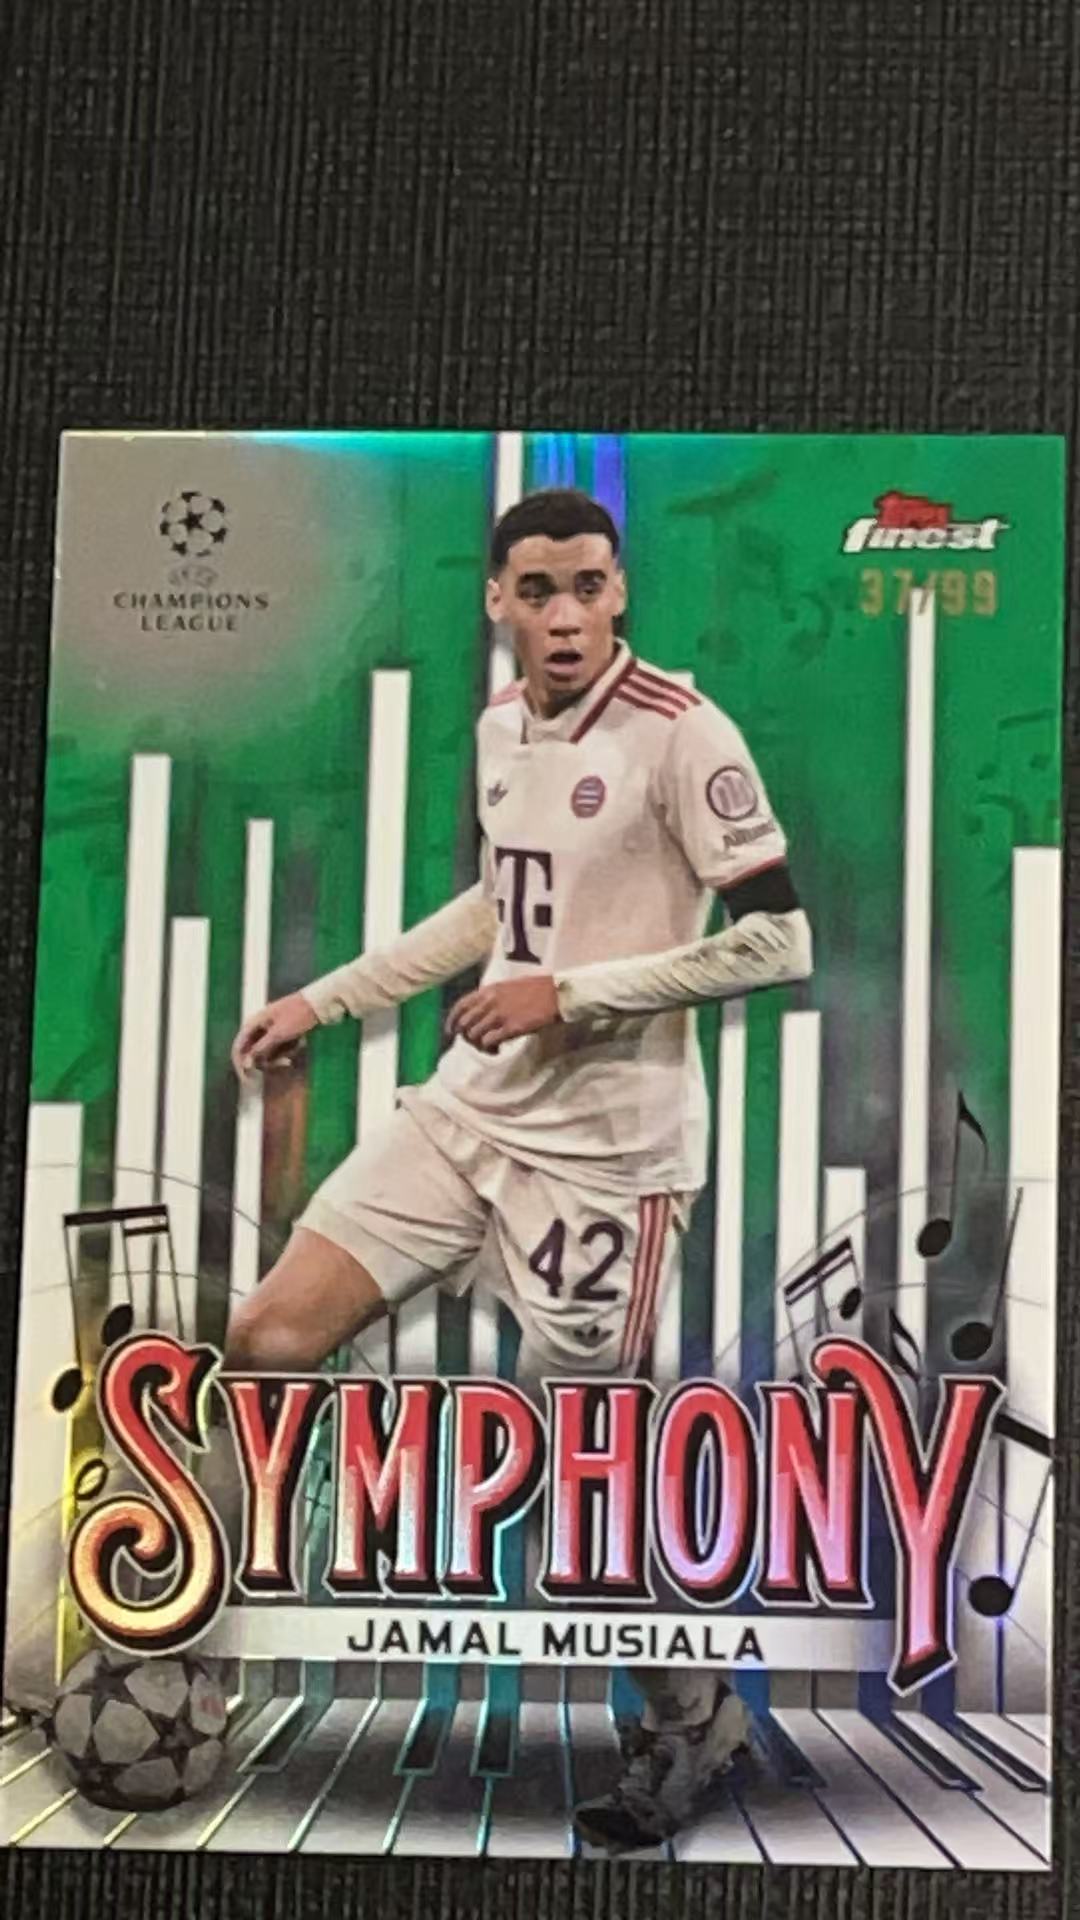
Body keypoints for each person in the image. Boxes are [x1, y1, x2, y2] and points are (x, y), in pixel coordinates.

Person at [227, 486, 813, 1852]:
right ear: (497, 600)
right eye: (537, 589)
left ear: (621, 595)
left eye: (589, 586)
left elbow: (778, 941)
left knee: (583, 1477)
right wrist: (326, 999)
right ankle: (184, 1654)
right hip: (470, 1116)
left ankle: (691, 1722)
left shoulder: (685, 733)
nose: (564, 613)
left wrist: (575, 993)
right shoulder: (501, 726)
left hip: (608, 1164)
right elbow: (500, 905)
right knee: (266, 1337)